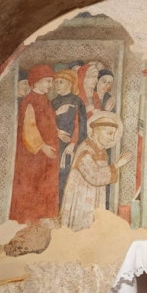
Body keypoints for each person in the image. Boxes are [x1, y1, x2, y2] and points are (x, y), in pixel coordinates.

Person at [60, 112, 133, 231]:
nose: (112, 138)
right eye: (109, 133)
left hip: (94, 195)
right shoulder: (86, 149)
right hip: (82, 197)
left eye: (113, 134)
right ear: (98, 131)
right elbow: (95, 176)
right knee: (83, 229)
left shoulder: (100, 150)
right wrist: (117, 165)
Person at [10, 64, 60, 224]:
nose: (50, 85)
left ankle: (44, 217)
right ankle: (29, 220)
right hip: (33, 155)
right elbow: (29, 127)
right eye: (47, 81)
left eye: (51, 81)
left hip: (48, 152)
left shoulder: (45, 100)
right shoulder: (30, 101)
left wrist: (57, 133)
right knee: (33, 184)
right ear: (37, 81)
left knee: (47, 183)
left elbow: (46, 123)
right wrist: (41, 146)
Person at [52, 69, 88, 203]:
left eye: (61, 82)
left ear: (69, 83)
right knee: (54, 177)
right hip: (55, 143)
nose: (57, 85)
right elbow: (47, 123)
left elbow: (81, 125)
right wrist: (56, 131)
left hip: (71, 146)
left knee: (67, 177)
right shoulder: (53, 102)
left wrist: (73, 144)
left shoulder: (77, 101)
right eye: (56, 82)